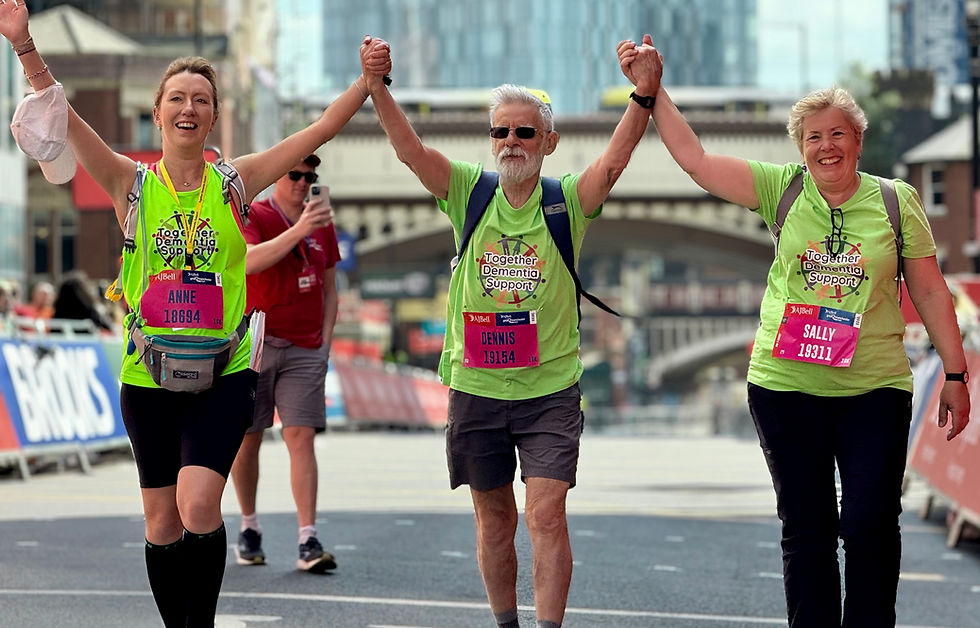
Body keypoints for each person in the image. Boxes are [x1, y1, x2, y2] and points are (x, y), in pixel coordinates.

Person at [0, 3, 370, 626]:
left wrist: (365, 82)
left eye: (201, 99)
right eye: (176, 98)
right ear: (158, 113)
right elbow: (61, 112)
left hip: (224, 373)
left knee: (199, 506)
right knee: (161, 521)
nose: (188, 108)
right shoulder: (130, 183)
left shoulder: (236, 183)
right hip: (148, 374)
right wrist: (23, 44)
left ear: (214, 116)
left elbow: (317, 132)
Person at [619, 34, 971, 628]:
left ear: (858, 141)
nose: (826, 146)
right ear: (800, 148)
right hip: (785, 386)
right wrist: (653, 92)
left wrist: (955, 374)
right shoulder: (779, 188)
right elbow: (696, 161)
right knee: (807, 529)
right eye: (813, 137)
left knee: (870, 524)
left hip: (874, 388)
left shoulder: (896, 201)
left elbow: (932, 292)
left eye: (837, 134)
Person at [360, 36, 662, 628]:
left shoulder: (565, 201)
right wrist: (377, 88)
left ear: (549, 142)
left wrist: (643, 96)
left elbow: (613, 162)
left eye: (525, 132)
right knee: (494, 518)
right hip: (475, 388)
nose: (511, 142)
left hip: (549, 390)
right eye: (501, 132)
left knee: (545, 514)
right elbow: (410, 152)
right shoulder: (468, 192)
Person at [230, 153, 341, 573]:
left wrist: (325, 343)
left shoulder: (321, 222)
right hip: (256, 340)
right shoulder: (255, 214)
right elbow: (247, 261)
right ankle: (249, 526)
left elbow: (330, 288)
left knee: (301, 436)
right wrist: (300, 230)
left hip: (305, 346)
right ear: (277, 176)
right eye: (294, 174)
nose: (302, 183)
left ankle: (308, 537)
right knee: (248, 438)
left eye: (310, 176)